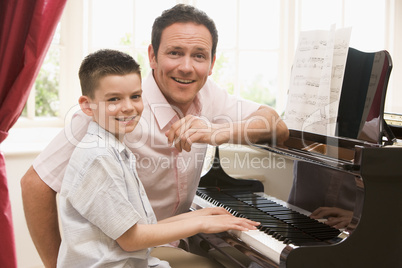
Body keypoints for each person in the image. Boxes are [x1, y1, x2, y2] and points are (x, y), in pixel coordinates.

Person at [21, 4, 289, 268]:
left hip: (160, 240)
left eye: (199, 55)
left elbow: (277, 127)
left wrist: (220, 131)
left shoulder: (209, 94)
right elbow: (35, 183)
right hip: (128, 252)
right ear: (152, 56)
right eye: (175, 52)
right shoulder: (112, 114)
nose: (186, 67)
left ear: (211, 63)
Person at [56, 49, 259, 267]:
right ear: (87, 105)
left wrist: (200, 216)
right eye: (114, 99)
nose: (128, 107)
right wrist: (201, 224)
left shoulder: (112, 148)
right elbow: (131, 240)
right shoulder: (99, 157)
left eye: (135, 96)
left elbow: (142, 227)